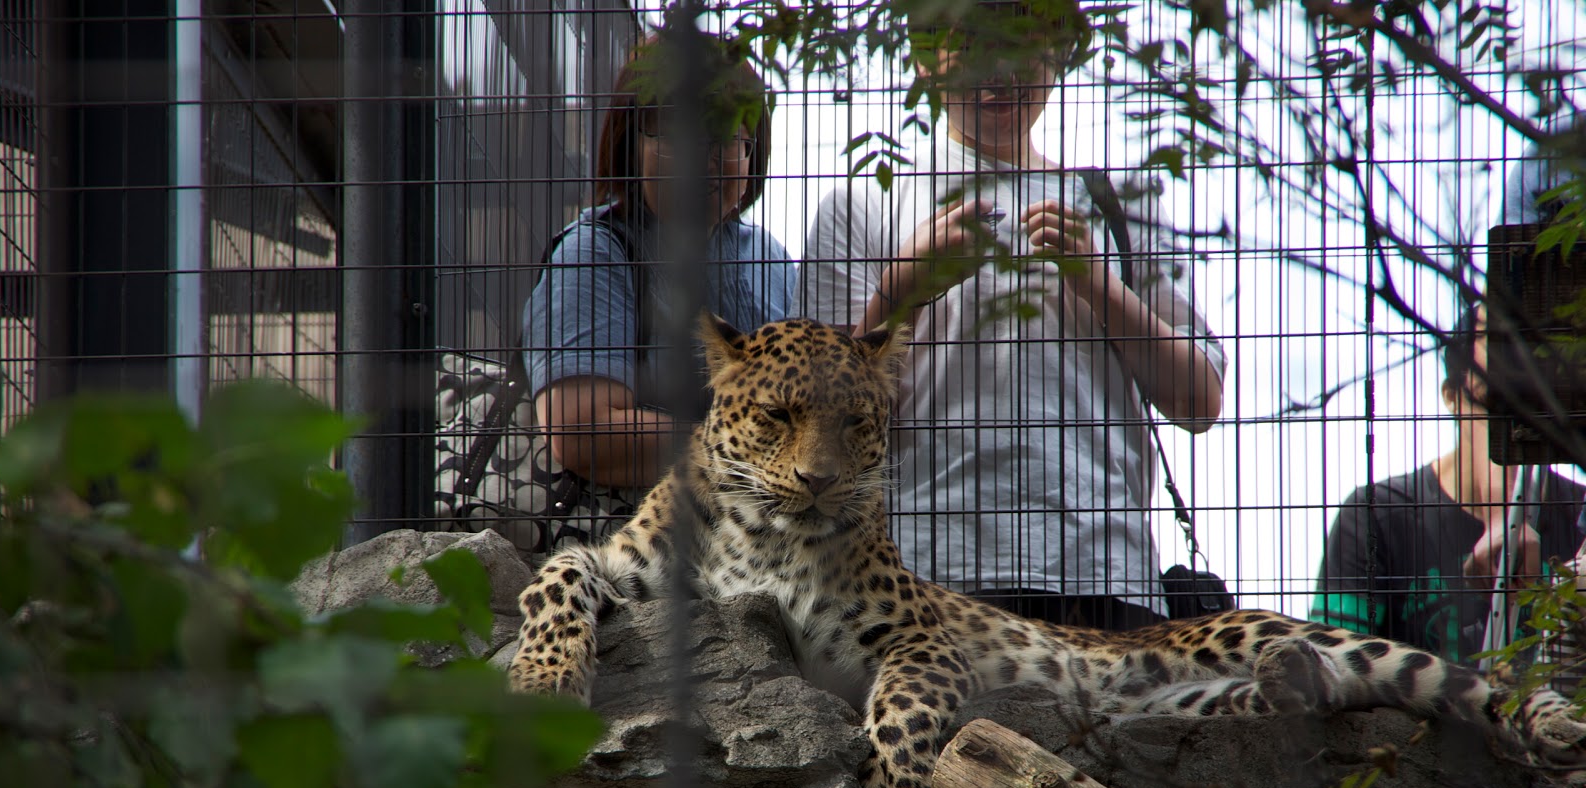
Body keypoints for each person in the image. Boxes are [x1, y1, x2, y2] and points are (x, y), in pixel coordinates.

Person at [795, 1, 1225, 631]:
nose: (1000, 72)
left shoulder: (1116, 206)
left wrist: (1099, 285)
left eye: (1024, 44)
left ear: (1059, 54)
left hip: (1101, 567)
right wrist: (904, 288)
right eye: (973, 44)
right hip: (922, 569)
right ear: (924, 57)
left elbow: (1199, 401)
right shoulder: (862, 204)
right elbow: (817, 422)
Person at [522, 31, 797, 502]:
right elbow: (580, 430)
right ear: (631, 145)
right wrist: (758, 452)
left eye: (725, 136)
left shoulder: (770, 260)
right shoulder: (593, 251)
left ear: (752, 152)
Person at [1310, 307, 1586, 663]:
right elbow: (1330, 663)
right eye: (1494, 401)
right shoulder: (1376, 513)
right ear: (1453, 397)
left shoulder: (1579, 510)